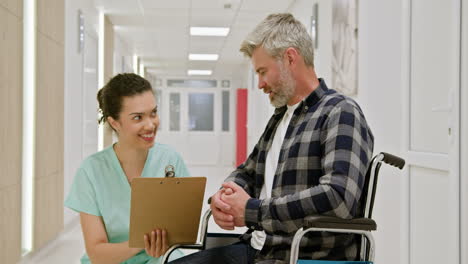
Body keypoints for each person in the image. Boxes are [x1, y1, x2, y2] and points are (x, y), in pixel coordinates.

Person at [169, 13, 374, 264]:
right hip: (257, 249)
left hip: (300, 255)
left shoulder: (340, 112)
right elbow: (248, 171)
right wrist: (224, 198)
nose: (260, 84)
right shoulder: (280, 117)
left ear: (289, 58)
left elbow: (337, 198)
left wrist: (252, 211)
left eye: (263, 72)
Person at [65, 73, 189, 264]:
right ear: (114, 122)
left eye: (153, 113)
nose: (150, 125)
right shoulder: (91, 170)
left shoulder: (170, 160)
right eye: (138, 117)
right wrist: (142, 243)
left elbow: (182, 229)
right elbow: (97, 253)